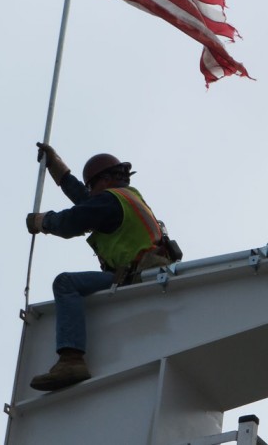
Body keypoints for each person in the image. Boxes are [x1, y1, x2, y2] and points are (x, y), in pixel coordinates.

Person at [25, 143, 172, 392]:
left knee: (66, 283)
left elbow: (72, 222)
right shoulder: (127, 197)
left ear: (104, 180)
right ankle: (70, 359)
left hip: (135, 278)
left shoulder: (108, 203)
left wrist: (42, 221)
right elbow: (84, 200)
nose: (89, 192)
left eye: (91, 186)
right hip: (148, 272)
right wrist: (55, 164)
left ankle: (71, 360)